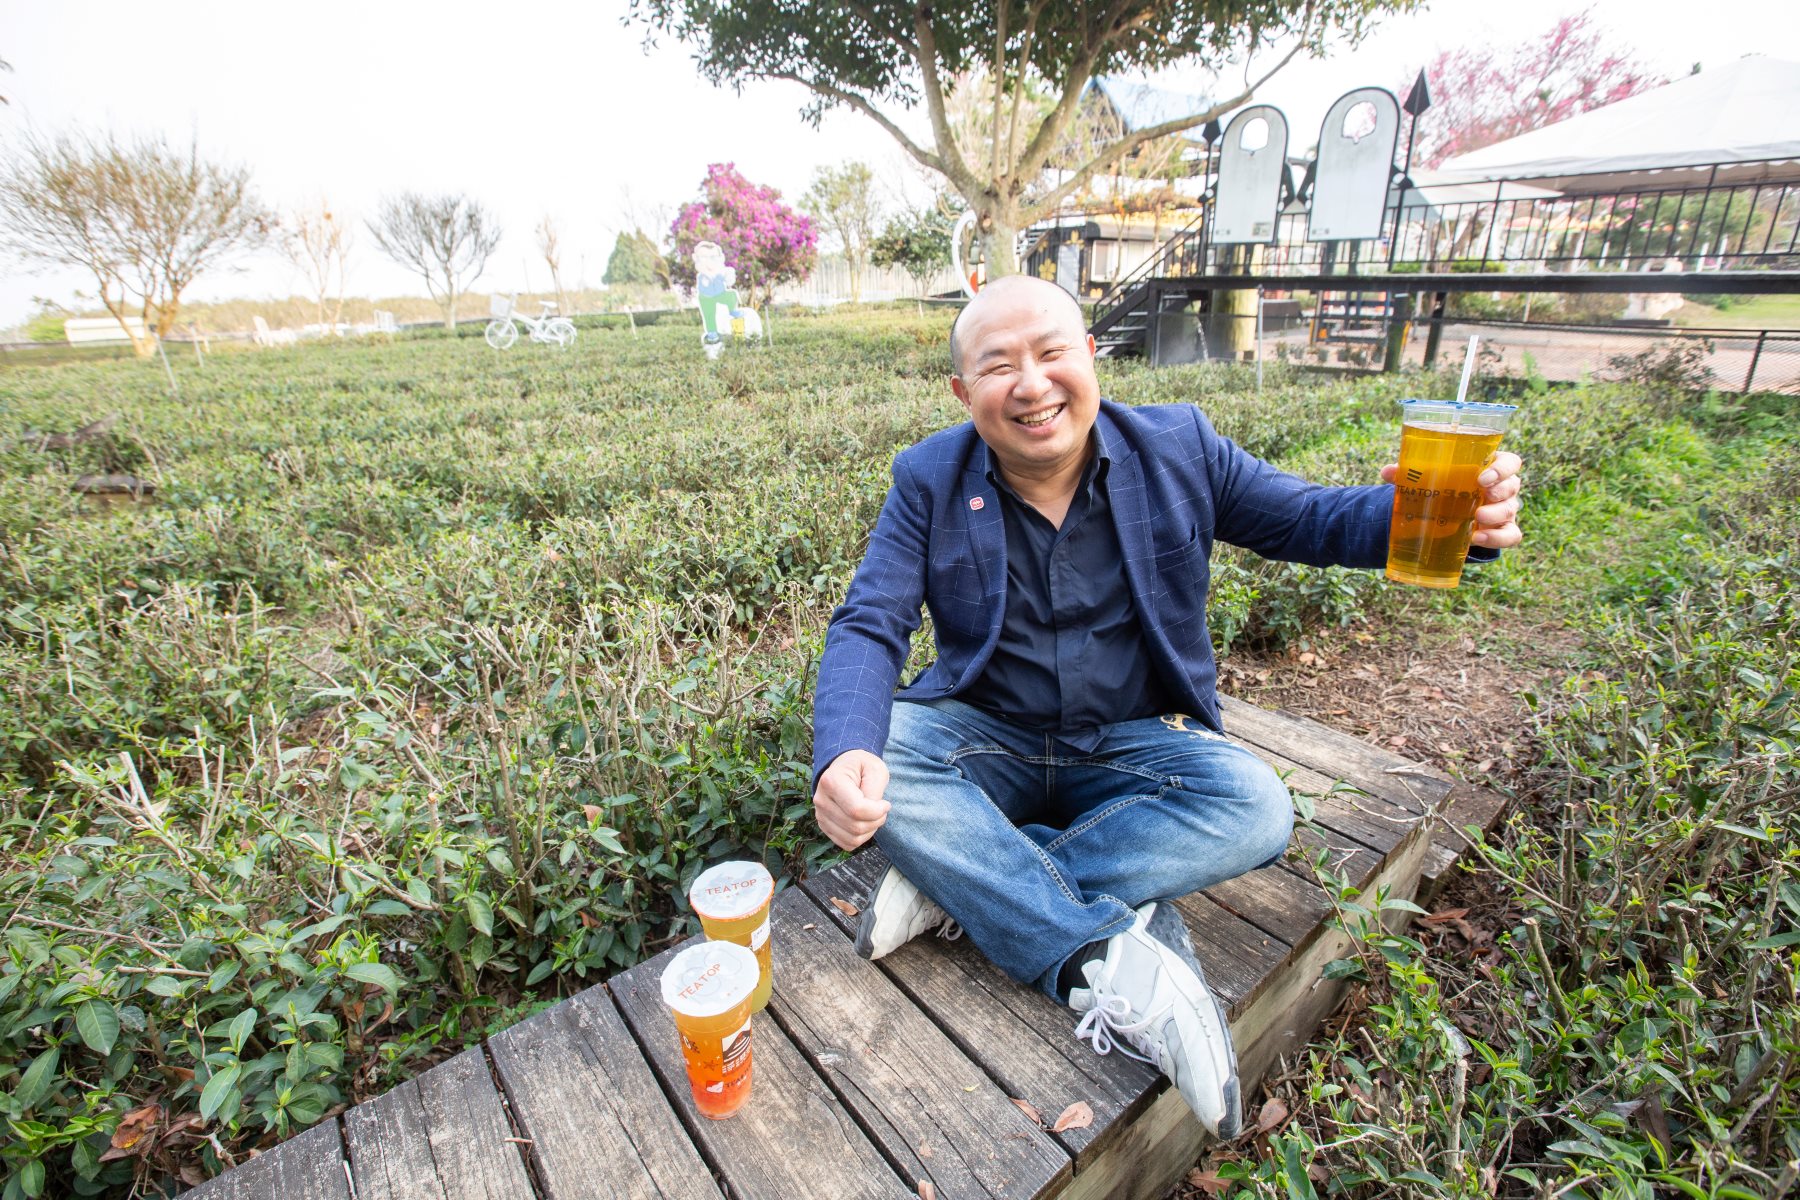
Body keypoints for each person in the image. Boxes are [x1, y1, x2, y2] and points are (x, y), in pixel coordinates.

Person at [809, 275, 1524, 1138]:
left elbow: (1310, 519)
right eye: (998, 366)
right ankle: (1097, 954)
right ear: (964, 393)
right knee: (884, 743)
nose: (1031, 384)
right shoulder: (930, 476)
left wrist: (1442, 517)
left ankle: (961, 886)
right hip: (989, 738)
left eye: (1052, 352)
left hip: (1136, 742)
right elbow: (870, 620)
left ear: (1091, 357)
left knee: (1255, 807)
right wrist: (844, 751)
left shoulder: (1179, 447)